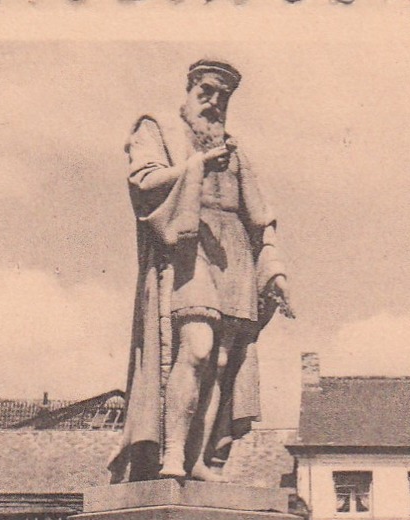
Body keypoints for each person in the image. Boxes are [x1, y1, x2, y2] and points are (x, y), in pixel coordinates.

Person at [111, 58, 294, 483]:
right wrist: (194, 167)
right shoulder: (156, 128)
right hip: (188, 249)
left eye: (223, 96)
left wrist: (275, 271)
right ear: (190, 87)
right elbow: (144, 182)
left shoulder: (236, 149)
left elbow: (259, 217)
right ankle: (171, 452)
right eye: (207, 91)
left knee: (224, 360)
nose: (214, 103)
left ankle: (198, 458)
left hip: (235, 255)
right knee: (195, 347)